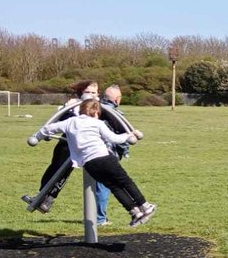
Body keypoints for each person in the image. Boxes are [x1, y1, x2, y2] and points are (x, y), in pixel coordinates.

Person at [31, 98, 156, 227]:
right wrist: (129, 135)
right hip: (104, 158)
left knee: (114, 186)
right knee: (125, 181)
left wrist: (37, 137)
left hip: (89, 164)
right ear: (96, 112)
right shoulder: (97, 123)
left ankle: (135, 212)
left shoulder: (69, 122)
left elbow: (47, 129)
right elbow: (113, 138)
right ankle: (145, 206)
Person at [22, 80, 98, 213]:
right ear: (81, 92)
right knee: (54, 168)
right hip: (66, 142)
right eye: (87, 92)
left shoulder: (99, 106)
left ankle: (48, 199)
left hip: (84, 145)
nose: (90, 95)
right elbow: (60, 121)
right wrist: (66, 109)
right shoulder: (73, 105)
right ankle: (41, 197)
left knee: (64, 172)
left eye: (93, 92)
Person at [94, 85, 131, 226]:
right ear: (117, 99)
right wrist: (125, 151)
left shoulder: (93, 110)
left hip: (88, 153)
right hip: (106, 155)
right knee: (105, 185)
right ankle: (100, 218)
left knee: (96, 185)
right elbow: (122, 135)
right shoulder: (114, 114)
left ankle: (95, 216)